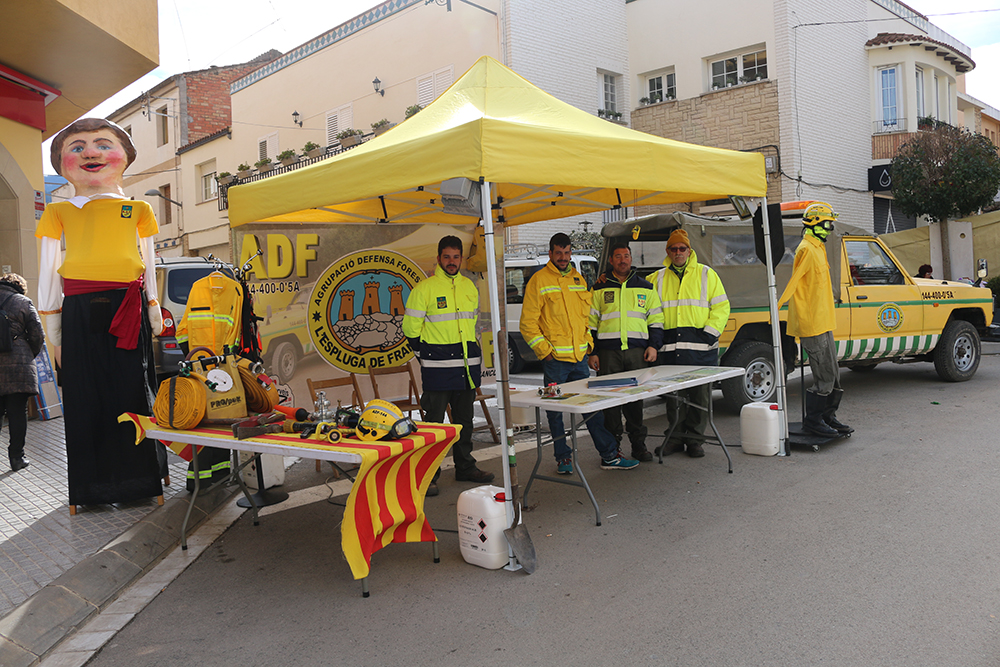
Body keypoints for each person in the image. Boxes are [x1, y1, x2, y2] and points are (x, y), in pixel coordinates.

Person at [36, 118, 166, 508]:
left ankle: (141, 483)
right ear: (61, 162)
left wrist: (153, 307)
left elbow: (149, 261)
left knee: (133, 393)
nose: (90, 153)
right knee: (83, 397)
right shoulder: (59, 213)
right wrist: (53, 327)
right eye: (76, 147)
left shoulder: (139, 208)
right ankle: (90, 491)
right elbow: (47, 269)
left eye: (101, 144)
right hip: (77, 309)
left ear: (124, 157)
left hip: (128, 305)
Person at [520, 232, 639, 474]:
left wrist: (587, 345)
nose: (563, 257)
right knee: (555, 414)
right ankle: (563, 458)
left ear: (570, 252)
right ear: (551, 253)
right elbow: (527, 323)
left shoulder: (578, 279)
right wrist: (545, 353)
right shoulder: (539, 280)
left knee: (591, 408)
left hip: (578, 361)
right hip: (555, 362)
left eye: (566, 253)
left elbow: (585, 319)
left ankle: (608, 455)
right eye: (558, 253)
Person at [403, 235, 495, 496]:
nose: (452, 262)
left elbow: (472, 324)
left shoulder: (470, 287)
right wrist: (426, 356)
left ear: (462, 259)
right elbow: (410, 329)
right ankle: (428, 475)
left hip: (467, 367)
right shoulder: (424, 289)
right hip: (438, 370)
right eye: (447, 257)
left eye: (456, 257)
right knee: (434, 424)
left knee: (464, 421)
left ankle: (465, 467)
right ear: (438, 258)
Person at [649, 229, 730, 457]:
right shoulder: (656, 278)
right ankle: (674, 438)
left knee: (700, 396)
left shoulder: (707, 274)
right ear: (668, 251)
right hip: (671, 349)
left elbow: (722, 307)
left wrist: (709, 335)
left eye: (682, 248)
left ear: (689, 251)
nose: (678, 252)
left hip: (700, 348)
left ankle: (695, 440)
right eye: (673, 249)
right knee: (674, 397)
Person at [777, 201, 853, 437]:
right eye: (828, 223)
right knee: (824, 375)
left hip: (824, 321)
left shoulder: (818, 247)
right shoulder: (806, 249)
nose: (830, 227)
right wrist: (777, 307)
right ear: (817, 223)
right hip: (812, 324)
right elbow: (794, 282)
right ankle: (813, 421)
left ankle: (828, 417)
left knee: (834, 374)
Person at [587, 241, 663, 462]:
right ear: (611, 260)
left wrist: (653, 346)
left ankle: (639, 445)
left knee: (635, 402)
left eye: (626, 256)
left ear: (631, 259)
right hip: (608, 355)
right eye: (618, 256)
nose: (623, 260)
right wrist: (593, 351)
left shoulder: (646, 287)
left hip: (637, 353)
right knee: (610, 403)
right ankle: (614, 449)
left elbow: (656, 319)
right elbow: (590, 323)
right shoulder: (599, 288)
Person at [0, 273, 45, 472]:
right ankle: (16, 458)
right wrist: (28, 353)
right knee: (18, 411)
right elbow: (38, 335)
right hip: (18, 364)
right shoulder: (23, 302)